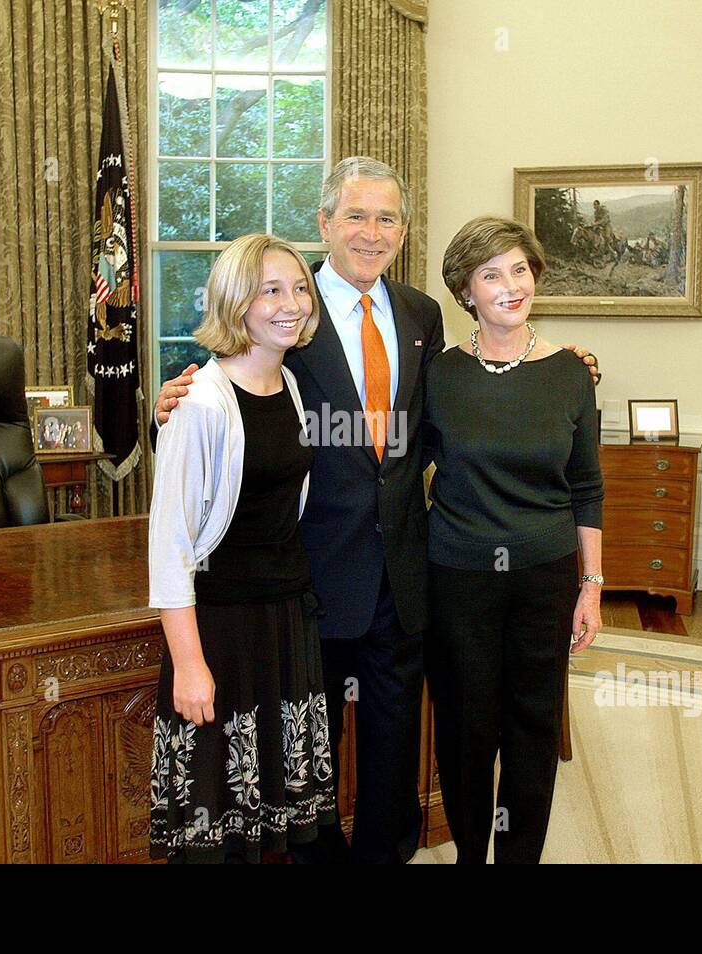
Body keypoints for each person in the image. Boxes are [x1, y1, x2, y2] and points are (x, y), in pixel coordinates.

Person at [154, 157, 603, 864]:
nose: (371, 232)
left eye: (387, 218)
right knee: (313, 745)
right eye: (356, 216)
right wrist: (168, 402)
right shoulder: (289, 311)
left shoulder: (421, 314)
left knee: (395, 749)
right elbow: (231, 385)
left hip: (407, 571)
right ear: (325, 222)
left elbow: (453, 413)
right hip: (310, 576)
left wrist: (557, 369)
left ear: (403, 229)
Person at [146, 232, 336, 863]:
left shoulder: (292, 388)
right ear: (236, 302)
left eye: (300, 288)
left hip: (284, 622)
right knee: (214, 821)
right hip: (220, 632)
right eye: (270, 290)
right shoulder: (199, 401)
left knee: (267, 819)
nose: (292, 303)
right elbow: (169, 545)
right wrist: (190, 664)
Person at [423, 216, 604, 864]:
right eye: (491, 274)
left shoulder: (570, 373)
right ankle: (473, 855)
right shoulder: (439, 375)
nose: (510, 285)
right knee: (466, 732)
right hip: (458, 578)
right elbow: (392, 461)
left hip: (544, 577)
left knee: (531, 732)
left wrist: (593, 585)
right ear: (466, 291)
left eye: (519, 269)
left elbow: (586, 486)